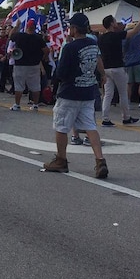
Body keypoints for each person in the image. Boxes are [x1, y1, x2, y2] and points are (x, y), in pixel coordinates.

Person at [43, 13, 108, 178]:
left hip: (70, 92)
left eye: (70, 26)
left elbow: (61, 72)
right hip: (88, 91)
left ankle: (61, 160)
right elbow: (98, 63)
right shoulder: (93, 44)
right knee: (90, 127)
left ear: (74, 28)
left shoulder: (70, 47)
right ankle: (100, 161)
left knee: (61, 126)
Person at [98, 11, 140, 126]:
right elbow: (135, 31)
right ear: (111, 24)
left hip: (106, 68)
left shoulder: (101, 38)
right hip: (118, 67)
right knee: (123, 93)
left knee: (108, 94)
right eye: (114, 21)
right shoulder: (117, 35)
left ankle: (105, 118)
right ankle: (126, 117)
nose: (116, 23)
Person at [9, 19, 48, 111]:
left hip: (20, 64)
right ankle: (35, 105)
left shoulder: (19, 36)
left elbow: (10, 36)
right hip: (34, 64)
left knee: (19, 85)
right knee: (35, 85)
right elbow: (47, 50)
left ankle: (17, 105)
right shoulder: (38, 38)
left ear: (26, 27)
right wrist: (43, 58)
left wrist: (16, 26)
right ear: (34, 28)